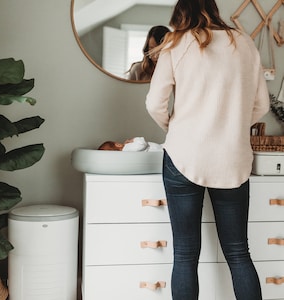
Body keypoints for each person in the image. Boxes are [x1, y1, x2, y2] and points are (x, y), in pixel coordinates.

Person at [145, 1, 270, 299]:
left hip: (183, 156)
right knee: (239, 251)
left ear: (180, 12)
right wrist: (233, 126)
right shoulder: (243, 41)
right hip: (233, 158)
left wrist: (175, 128)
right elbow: (262, 106)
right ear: (213, 8)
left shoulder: (175, 42)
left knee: (185, 254)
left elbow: (154, 104)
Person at [98, 137, 162, 152]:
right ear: (118, 145)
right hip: (160, 149)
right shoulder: (127, 148)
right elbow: (142, 144)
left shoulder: (127, 150)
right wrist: (134, 139)